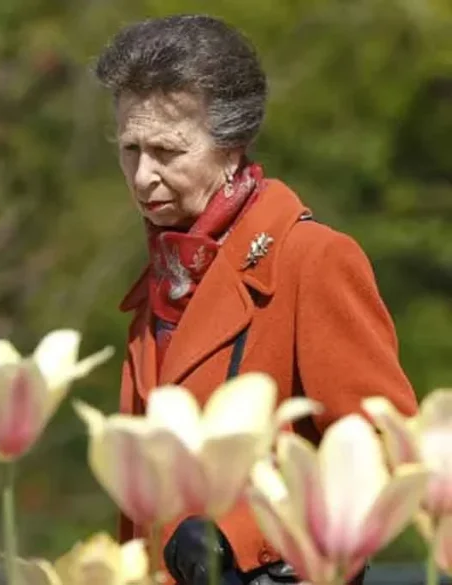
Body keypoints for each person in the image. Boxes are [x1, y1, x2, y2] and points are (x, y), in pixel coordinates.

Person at [94, 14, 420, 585]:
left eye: (166, 151)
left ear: (231, 146)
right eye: (130, 149)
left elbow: (385, 450)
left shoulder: (311, 259)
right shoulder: (158, 287)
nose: (142, 175)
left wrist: (243, 539)